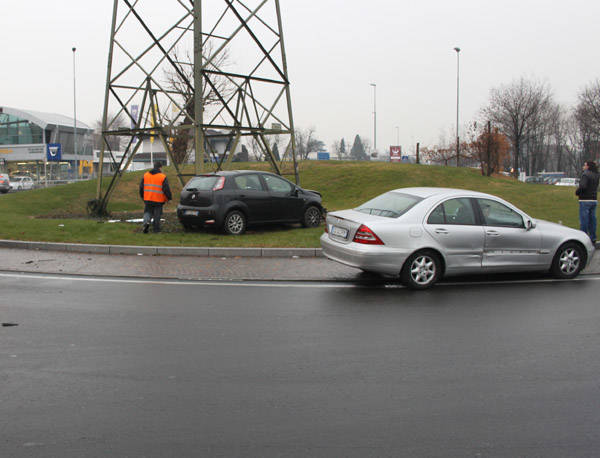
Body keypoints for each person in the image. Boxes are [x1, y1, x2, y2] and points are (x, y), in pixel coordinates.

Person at [139, 161, 172, 233]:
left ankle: (146, 224)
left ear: (154, 166)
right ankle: (156, 229)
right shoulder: (162, 177)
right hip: (158, 200)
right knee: (157, 215)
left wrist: (142, 196)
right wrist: (169, 198)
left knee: (147, 212)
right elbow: (166, 189)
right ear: (160, 167)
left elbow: (141, 187)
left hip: (148, 198)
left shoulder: (146, 175)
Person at [575, 160, 599, 244]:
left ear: (588, 166)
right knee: (592, 220)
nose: (583, 166)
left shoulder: (585, 174)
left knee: (584, 220)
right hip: (594, 199)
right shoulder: (596, 174)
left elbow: (583, 186)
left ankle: (583, 238)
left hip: (585, 199)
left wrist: (577, 192)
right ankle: (593, 237)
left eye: (584, 165)